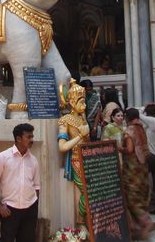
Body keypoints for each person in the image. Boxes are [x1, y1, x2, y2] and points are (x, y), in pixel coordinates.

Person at [0, 123, 40, 242]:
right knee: (6, 239)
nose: (32, 140)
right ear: (18, 138)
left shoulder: (33, 160)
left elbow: (36, 186)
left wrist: (34, 206)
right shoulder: (2, 157)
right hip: (9, 210)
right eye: (29, 137)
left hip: (30, 209)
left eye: (32, 136)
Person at [58, 80, 90, 221]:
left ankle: (87, 220)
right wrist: (80, 136)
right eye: (81, 102)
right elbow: (62, 147)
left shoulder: (83, 118)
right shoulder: (65, 120)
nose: (85, 105)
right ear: (72, 102)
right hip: (76, 159)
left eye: (84, 102)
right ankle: (80, 220)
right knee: (86, 191)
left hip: (87, 158)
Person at [122, 108, 153, 240]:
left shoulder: (130, 130)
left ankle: (145, 222)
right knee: (140, 194)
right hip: (142, 167)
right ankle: (135, 227)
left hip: (132, 168)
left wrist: (117, 147)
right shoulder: (141, 128)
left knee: (131, 196)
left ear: (127, 117)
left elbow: (129, 150)